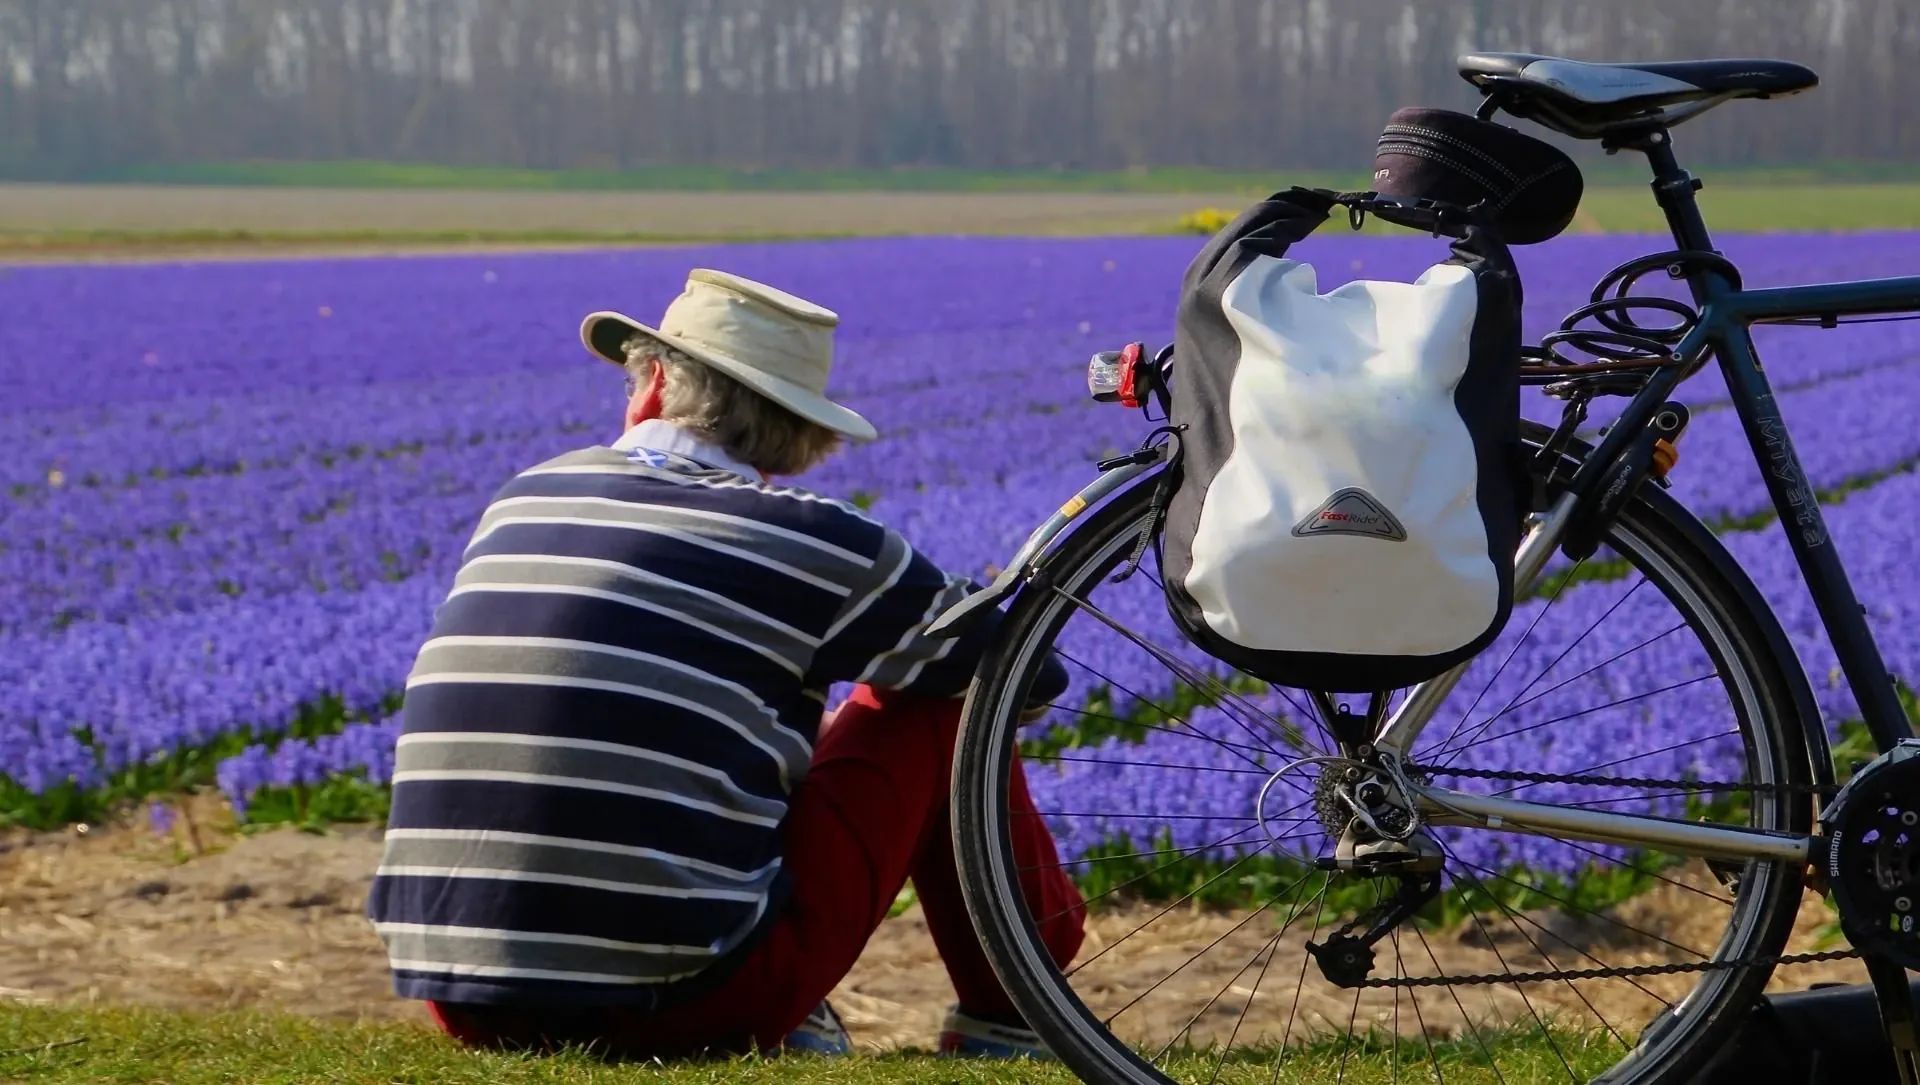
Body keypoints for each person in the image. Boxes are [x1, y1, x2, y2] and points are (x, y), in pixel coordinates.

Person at [365, 268, 1086, 1060]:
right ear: (805, 433)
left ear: (653, 383)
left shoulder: (526, 495)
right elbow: (1023, 676)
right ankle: (1013, 1002)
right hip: (686, 1002)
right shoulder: (815, 541)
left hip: (463, 993)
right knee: (945, 695)